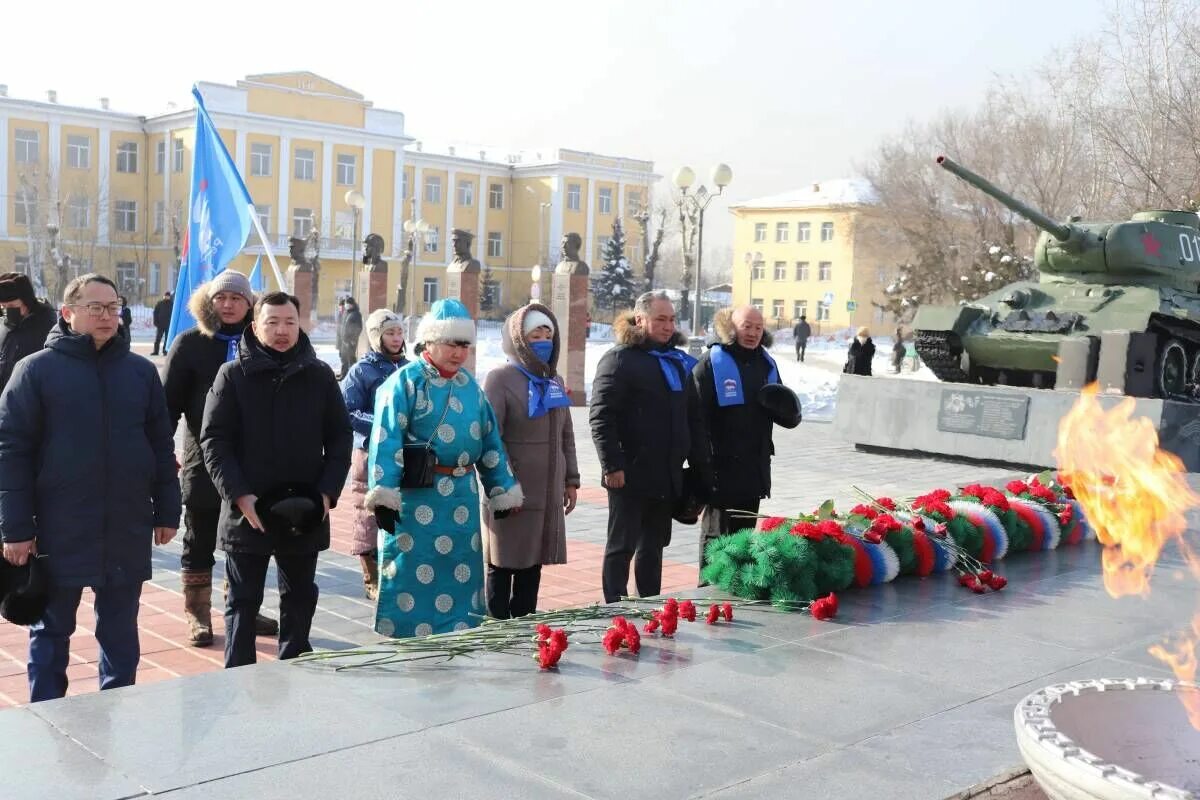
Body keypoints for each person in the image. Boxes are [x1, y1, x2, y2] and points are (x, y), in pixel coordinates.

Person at [0, 273, 180, 702]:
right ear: (68, 313)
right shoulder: (36, 371)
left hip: (125, 523)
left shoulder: (139, 372)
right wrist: (16, 528)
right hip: (57, 527)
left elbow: (160, 443)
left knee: (120, 633)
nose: (106, 316)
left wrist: (167, 510)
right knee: (51, 631)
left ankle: (118, 709)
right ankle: (46, 712)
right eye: (95, 308)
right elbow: (10, 452)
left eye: (113, 307)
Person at [200, 291, 352, 668]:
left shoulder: (318, 375)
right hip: (247, 509)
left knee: (300, 594)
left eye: (290, 322)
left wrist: (326, 495)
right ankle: (238, 673)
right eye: (272, 323)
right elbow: (214, 441)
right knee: (242, 599)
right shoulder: (232, 375)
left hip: (305, 510)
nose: (282, 331)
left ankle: (296, 664)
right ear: (255, 326)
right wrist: (238, 495)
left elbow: (340, 437)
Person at [366, 298, 523, 637]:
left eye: (464, 344)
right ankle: (408, 636)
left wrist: (502, 489)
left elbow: (491, 443)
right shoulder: (404, 383)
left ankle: (459, 631)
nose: (459, 352)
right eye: (452, 343)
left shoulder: (471, 389)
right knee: (412, 571)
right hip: (416, 498)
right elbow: (386, 439)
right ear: (431, 341)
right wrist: (383, 496)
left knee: (459, 573)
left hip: (461, 501)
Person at [164, 270, 278, 647]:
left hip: (255, 463)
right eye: (220, 299)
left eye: (237, 299)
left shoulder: (262, 343)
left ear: (250, 305)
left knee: (248, 537)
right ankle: (197, 613)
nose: (228, 305)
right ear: (208, 303)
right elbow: (168, 406)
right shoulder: (191, 344)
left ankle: (241, 604)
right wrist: (163, 452)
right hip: (205, 458)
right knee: (199, 536)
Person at [590, 291, 703, 604]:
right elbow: (601, 416)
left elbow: (691, 418)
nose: (668, 326)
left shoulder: (677, 363)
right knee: (621, 547)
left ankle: (649, 604)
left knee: (653, 547)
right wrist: (612, 465)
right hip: (629, 474)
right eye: (660, 320)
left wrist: (697, 471)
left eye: (671, 320)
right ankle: (614, 607)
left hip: (665, 474)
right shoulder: (620, 359)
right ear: (640, 320)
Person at [481, 304, 579, 619]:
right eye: (534, 334)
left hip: (546, 491)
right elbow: (490, 436)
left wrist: (571, 479)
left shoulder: (553, 380)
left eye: (547, 334)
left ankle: (524, 623)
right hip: (511, 489)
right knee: (502, 560)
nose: (542, 340)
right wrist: (504, 486)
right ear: (519, 339)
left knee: (532, 563)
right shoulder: (500, 378)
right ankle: (496, 626)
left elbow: (566, 434)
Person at [693, 306, 799, 570]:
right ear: (731, 327)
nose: (752, 333)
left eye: (758, 327)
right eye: (746, 326)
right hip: (720, 470)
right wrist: (702, 467)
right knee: (717, 538)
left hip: (754, 469)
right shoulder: (712, 362)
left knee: (743, 539)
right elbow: (695, 418)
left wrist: (789, 412)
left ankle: (735, 588)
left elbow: (783, 410)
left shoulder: (766, 364)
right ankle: (708, 590)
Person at [340, 309, 408, 600]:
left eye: (399, 332)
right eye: (389, 333)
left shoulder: (408, 368)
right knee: (367, 513)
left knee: (399, 510)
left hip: (402, 454)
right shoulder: (361, 371)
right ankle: (371, 577)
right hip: (369, 452)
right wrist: (385, 427)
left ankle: (396, 570)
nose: (395, 338)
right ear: (375, 336)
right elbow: (349, 411)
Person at [0, 272, 57, 394]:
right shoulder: (10, 325)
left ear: (26, 302)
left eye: (11, 306)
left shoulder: (44, 325)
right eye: (3, 307)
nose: (7, 311)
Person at [337, 297, 363, 379]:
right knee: (344, 358)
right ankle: (344, 374)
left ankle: (355, 375)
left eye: (348, 303)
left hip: (350, 341)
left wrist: (353, 340)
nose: (346, 305)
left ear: (352, 304)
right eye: (346, 303)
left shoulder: (356, 314)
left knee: (351, 359)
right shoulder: (347, 313)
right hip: (344, 340)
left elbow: (359, 327)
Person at [152, 291, 173, 355]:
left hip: (168, 325)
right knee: (158, 339)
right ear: (164, 296)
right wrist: (155, 322)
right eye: (166, 296)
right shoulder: (160, 303)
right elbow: (155, 313)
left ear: (169, 297)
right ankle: (156, 351)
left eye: (168, 296)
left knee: (167, 339)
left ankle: (165, 351)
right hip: (160, 324)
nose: (167, 297)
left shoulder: (172, 304)